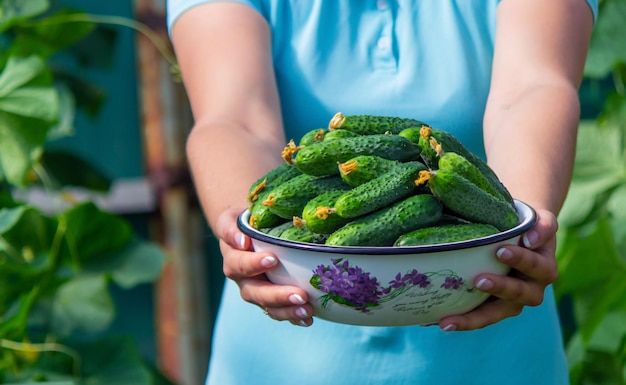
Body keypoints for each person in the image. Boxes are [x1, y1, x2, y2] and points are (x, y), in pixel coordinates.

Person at [166, 1, 597, 383]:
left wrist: (518, 226)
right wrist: (248, 227)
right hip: (282, 348)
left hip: (494, 337)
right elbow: (234, 117)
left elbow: (533, 88)